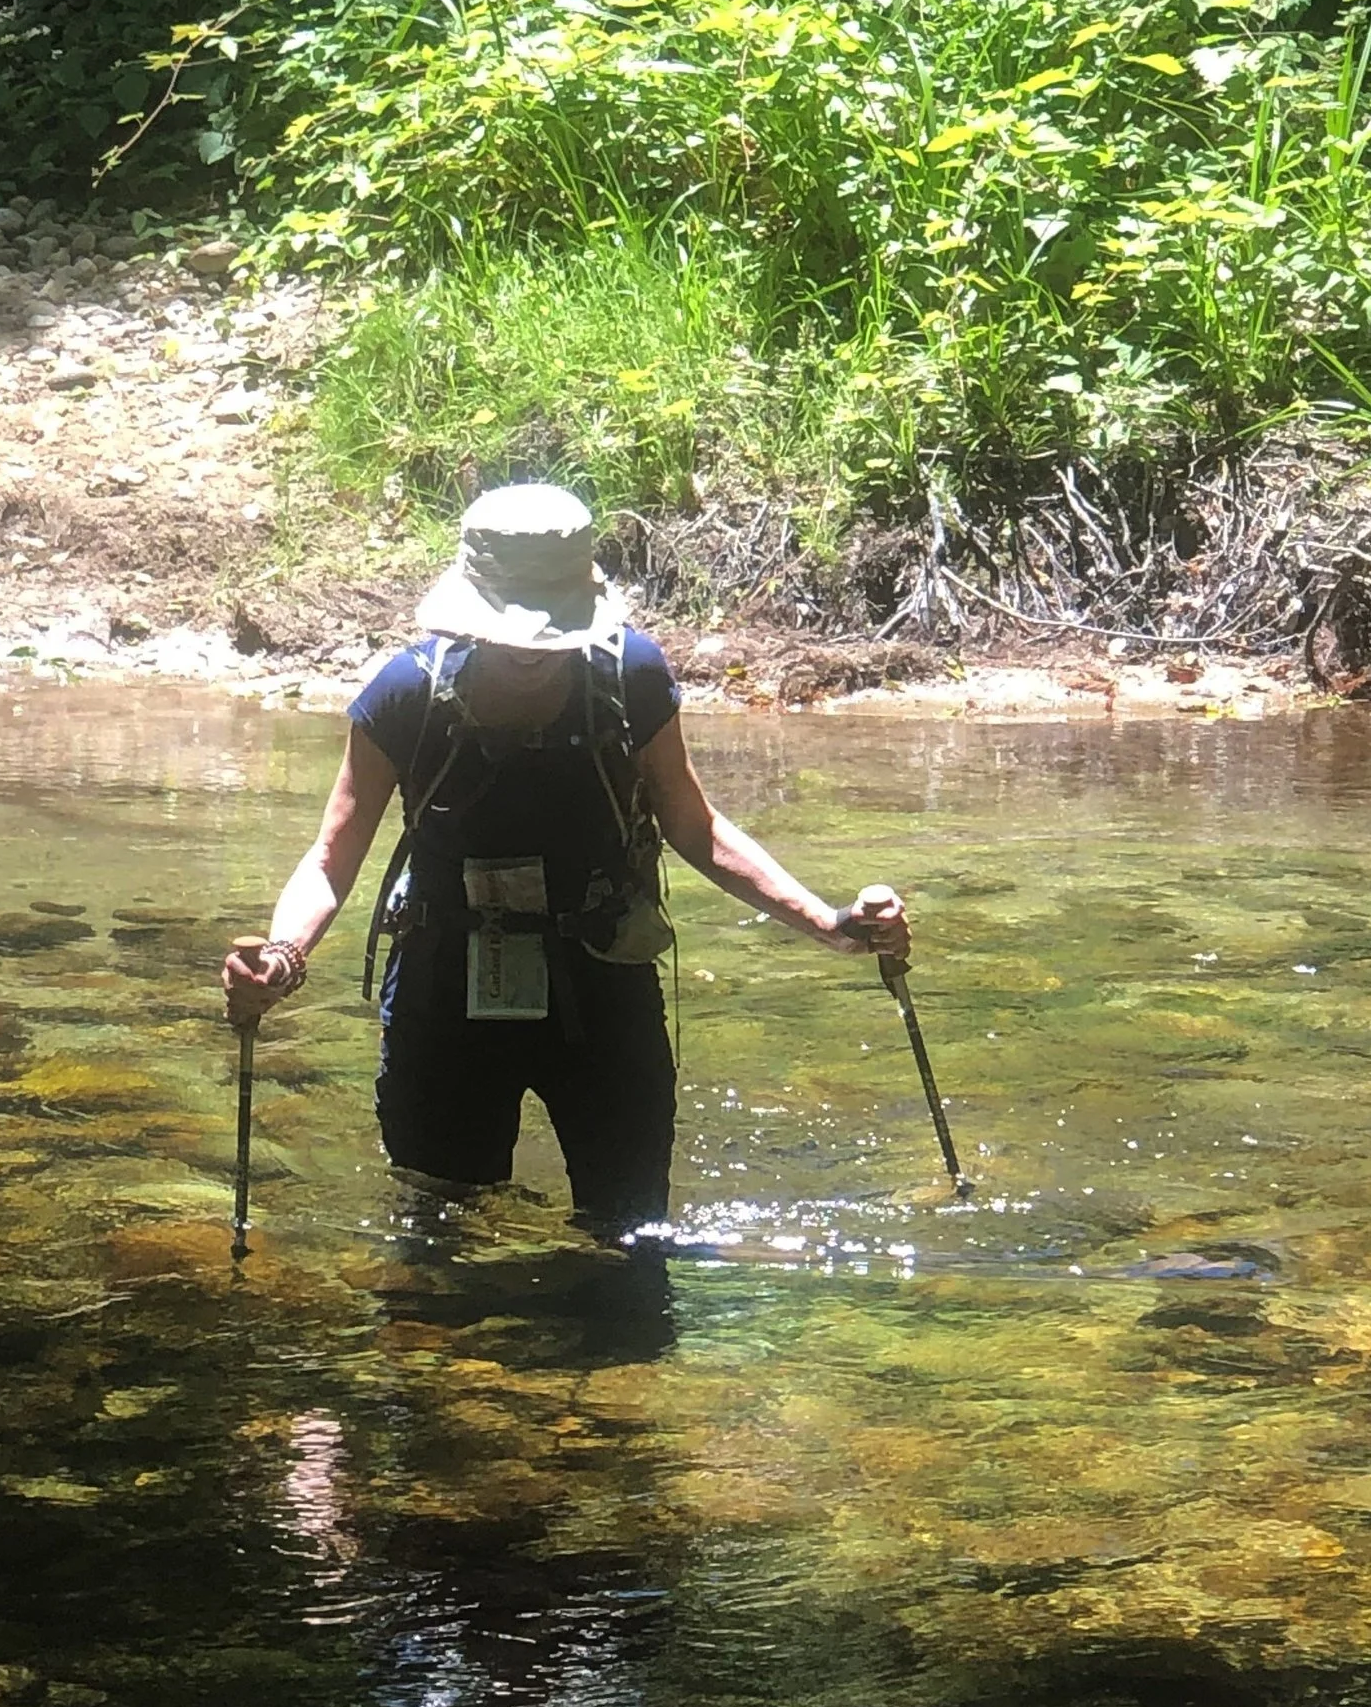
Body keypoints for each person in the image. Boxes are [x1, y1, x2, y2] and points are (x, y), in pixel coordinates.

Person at [221, 482, 910, 1241]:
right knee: (437, 1249)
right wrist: (281, 958)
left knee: (628, 1245)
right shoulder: (406, 695)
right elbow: (329, 861)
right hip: (445, 994)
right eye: (512, 633)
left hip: (604, 987)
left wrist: (834, 924)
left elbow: (696, 826)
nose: (528, 651)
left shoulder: (629, 681)